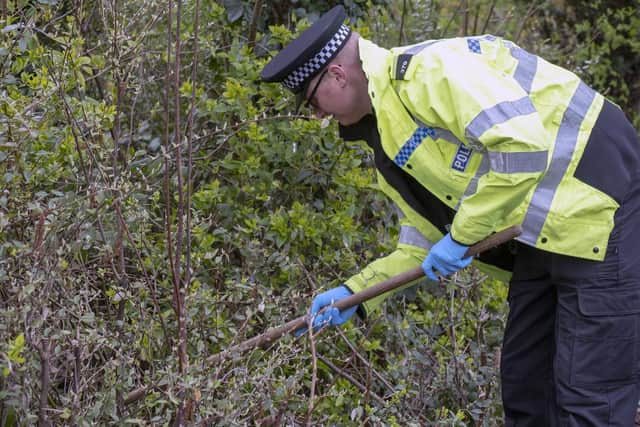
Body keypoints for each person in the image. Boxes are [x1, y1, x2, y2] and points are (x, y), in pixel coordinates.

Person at [260, 5, 640, 426]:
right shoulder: (386, 132)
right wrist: (356, 293)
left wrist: (462, 237)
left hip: (602, 207)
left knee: (589, 397)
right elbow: (423, 239)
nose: (317, 115)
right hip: (540, 231)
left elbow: (522, 147)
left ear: (337, 74)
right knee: (526, 389)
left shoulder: (430, 72)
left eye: (312, 101)